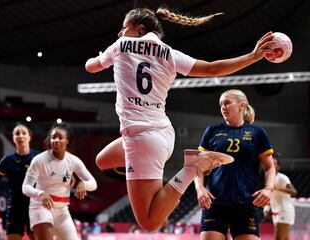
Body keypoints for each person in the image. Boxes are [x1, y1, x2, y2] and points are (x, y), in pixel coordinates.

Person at [85, 7, 277, 232]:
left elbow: (90, 67)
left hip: (141, 139)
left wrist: (99, 55)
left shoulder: (119, 46)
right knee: (103, 161)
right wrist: (253, 56)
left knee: (149, 223)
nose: (120, 32)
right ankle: (166, 188)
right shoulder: (170, 54)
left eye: (124, 27)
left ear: (139, 28)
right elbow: (213, 68)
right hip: (163, 134)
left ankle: (190, 170)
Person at [194, 89, 277, 240]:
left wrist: (268, 189)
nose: (223, 107)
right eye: (220, 104)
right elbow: (198, 166)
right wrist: (199, 188)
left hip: (245, 203)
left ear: (242, 105)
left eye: (227, 103)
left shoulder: (257, 132)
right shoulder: (212, 131)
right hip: (215, 203)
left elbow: (270, 167)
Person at [22, 122, 97, 240]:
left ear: (67, 140)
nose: (56, 140)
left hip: (62, 211)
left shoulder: (73, 161)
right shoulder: (39, 160)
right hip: (40, 206)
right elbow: (25, 187)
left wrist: (84, 184)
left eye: (60, 138)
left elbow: (93, 183)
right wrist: (40, 194)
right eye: (53, 137)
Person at [263, 152, 297, 240]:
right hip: (276, 213)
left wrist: (277, 189)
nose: (272, 166)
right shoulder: (269, 179)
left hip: (285, 211)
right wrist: (266, 210)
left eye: (274, 164)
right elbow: (269, 197)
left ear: (278, 167)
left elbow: (294, 191)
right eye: (271, 163)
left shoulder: (282, 178)